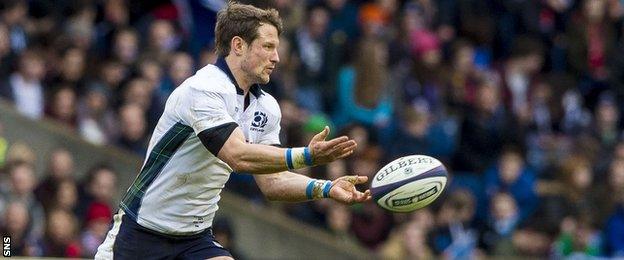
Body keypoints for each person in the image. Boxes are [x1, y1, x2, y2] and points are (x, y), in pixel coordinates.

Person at [95, 2, 370, 260]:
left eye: (277, 48)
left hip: (194, 238)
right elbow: (237, 156)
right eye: (268, 47)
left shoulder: (267, 107)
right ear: (238, 45)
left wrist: (325, 187)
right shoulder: (204, 89)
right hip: (142, 232)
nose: (276, 57)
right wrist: (306, 157)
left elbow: (272, 183)